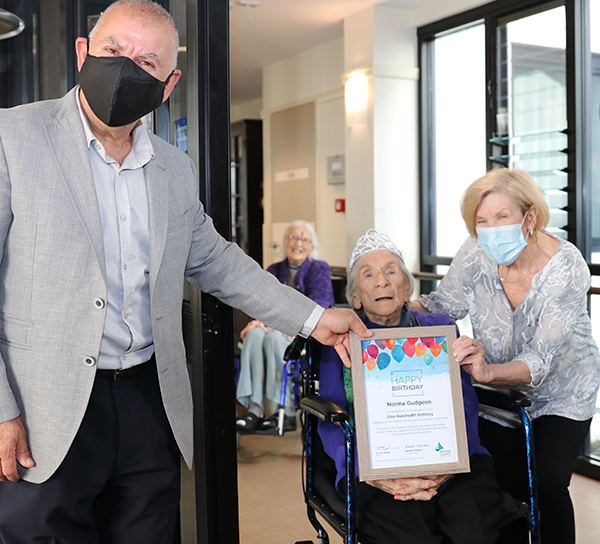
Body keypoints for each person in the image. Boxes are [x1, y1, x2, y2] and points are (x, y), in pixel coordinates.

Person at [0, 2, 369, 543]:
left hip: (149, 399)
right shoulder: (13, 138)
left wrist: (314, 318)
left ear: (168, 83)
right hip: (42, 408)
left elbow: (216, 259)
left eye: (147, 61)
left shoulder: (175, 168)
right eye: (113, 50)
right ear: (83, 52)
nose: (127, 68)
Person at [411, 168, 600, 544]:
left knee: (545, 484)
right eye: (482, 221)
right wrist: (394, 309)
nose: (491, 229)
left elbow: (538, 361)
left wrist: (485, 372)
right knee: (502, 483)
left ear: (529, 216)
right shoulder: (473, 252)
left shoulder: (566, 266)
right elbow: (444, 305)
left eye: (502, 217)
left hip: (563, 392)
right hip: (499, 393)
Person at [318, 229, 516, 544]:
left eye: (391, 271)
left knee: (472, 531)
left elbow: (464, 404)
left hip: (453, 459)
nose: (381, 281)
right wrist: (364, 470)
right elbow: (330, 418)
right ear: (355, 296)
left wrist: (450, 463)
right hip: (374, 467)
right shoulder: (343, 341)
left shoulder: (440, 329)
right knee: (410, 537)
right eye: (368, 275)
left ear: (407, 286)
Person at [236, 220, 335, 433]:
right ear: (284, 242)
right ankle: (253, 410)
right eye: (292, 237)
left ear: (311, 246)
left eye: (303, 238)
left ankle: (284, 411)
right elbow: (260, 302)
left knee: (272, 338)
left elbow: (321, 304)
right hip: (274, 328)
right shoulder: (273, 269)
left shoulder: (319, 269)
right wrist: (259, 321)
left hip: (302, 333)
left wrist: (287, 324)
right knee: (253, 334)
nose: (297, 242)